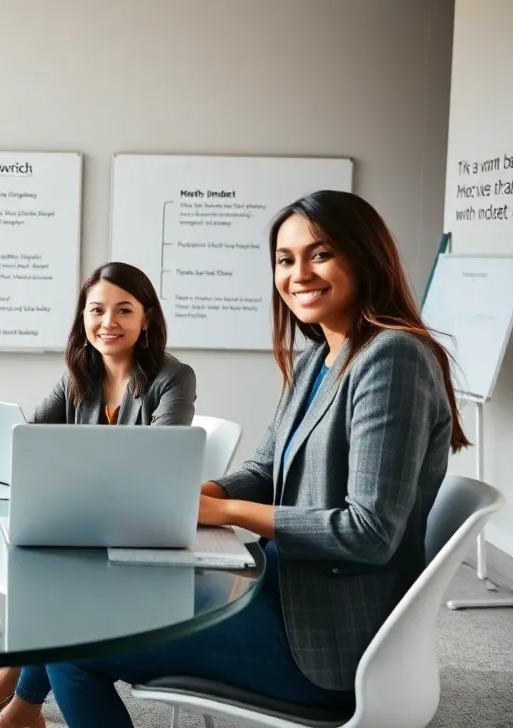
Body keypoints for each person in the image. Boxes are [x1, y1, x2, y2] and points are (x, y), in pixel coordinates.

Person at [39, 191, 468, 726]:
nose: (299, 274)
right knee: (86, 601)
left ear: (365, 257)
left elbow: (370, 532)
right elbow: (266, 469)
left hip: (324, 643)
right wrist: (201, 494)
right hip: (274, 592)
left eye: (320, 253)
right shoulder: (320, 357)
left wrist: (225, 514)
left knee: (67, 642)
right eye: (285, 260)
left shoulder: (393, 357)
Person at [0, 261, 197, 728]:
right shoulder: (79, 373)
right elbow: (30, 439)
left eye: (123, 310)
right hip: (89, 525)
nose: (108, 323)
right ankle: (24, 700)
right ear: (82, 318)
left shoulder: (173, 377)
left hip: (138, 536)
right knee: (37, 552)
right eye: (97, 310)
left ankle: (22, 693)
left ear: (146, 318)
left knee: (56, 577)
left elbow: (160, 463)